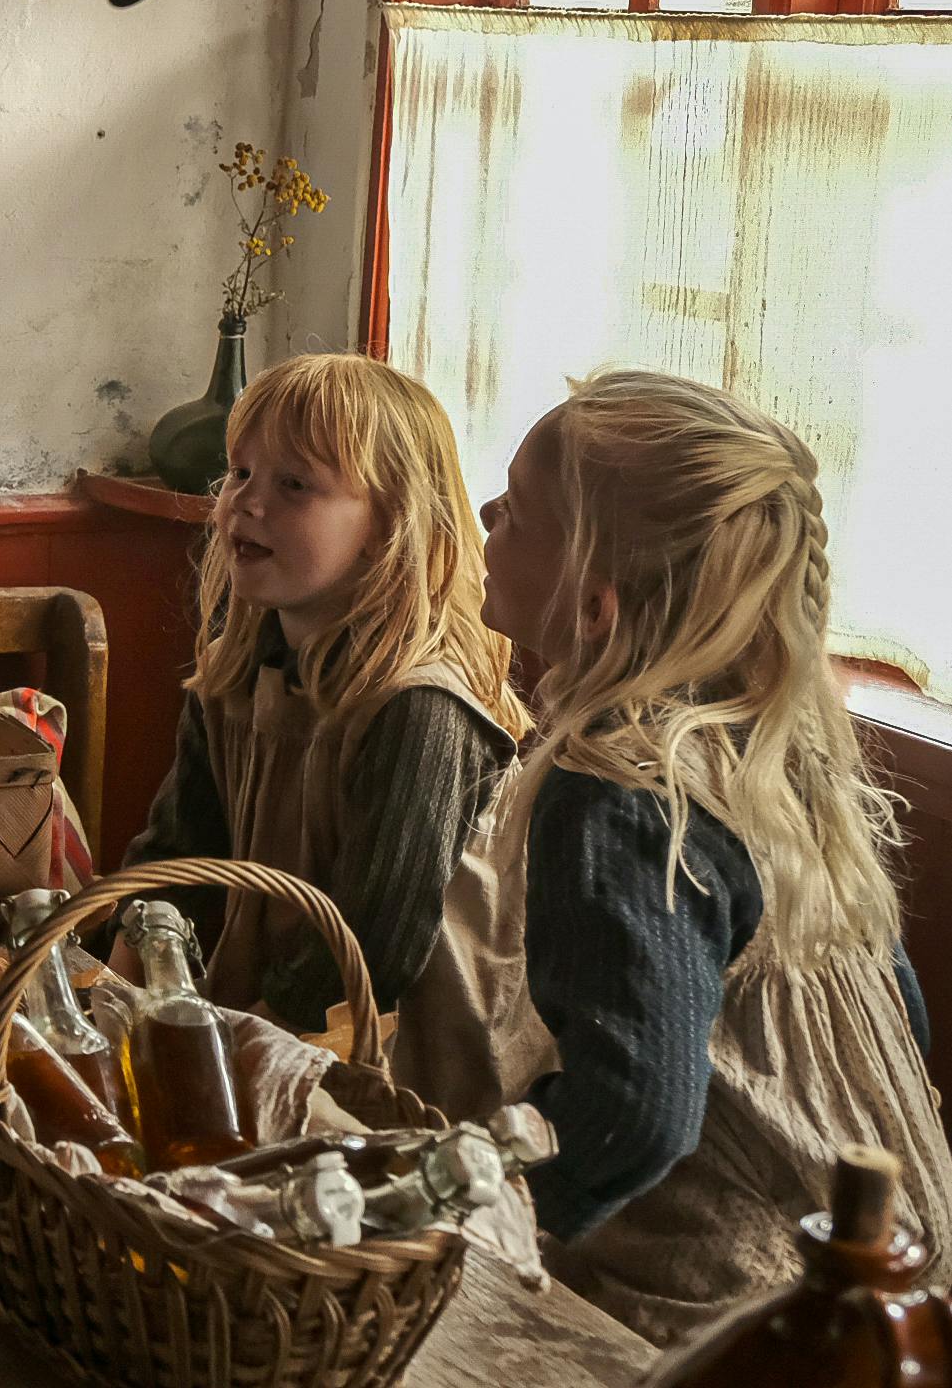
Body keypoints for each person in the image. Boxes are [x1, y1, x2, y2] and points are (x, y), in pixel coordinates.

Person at [476, 369, 951, 1343]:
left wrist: (488, 1220)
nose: (486, 512)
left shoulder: (615, 791)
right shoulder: (777, 756)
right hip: (896, 1273)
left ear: (595, 606)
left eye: (515, 509)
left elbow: (634, 1113)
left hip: (730, 1307)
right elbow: (899, 1018)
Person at [123, 354, 538, 1118]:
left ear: (387, 524)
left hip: (391, 1076)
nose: (245, 503)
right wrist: (121, 986)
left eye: (293, 485)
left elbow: (370, 947)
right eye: (239, 473)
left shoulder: (418, 709)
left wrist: (234, 1065)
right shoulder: (234, 677)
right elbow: (178, 857)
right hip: (261, 1037)